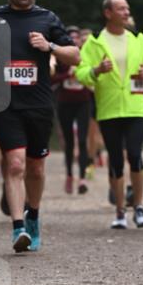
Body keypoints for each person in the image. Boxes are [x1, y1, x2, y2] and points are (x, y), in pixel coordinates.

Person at [0, 0, 79, 252]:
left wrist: (49, 46)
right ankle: (18, 227)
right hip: (4, 102)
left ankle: (33, 214)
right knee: (16, 163)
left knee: (35, 166)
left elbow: (75, 56)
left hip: (39, 103)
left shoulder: (47, 19)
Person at [76, 0, 143, 229]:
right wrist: (96, 70)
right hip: (109, 108)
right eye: (121, 9)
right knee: (115, 160)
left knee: (134, 154)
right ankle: (120, 211)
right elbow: (80, 73)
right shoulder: (94, 43)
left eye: (127, 8)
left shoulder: (138, 40)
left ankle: (139, 207)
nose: (126, 12)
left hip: (135, 106)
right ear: (108, 13)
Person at [52, 26, 93, 193]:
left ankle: (82, 178)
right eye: (72, 38)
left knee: (82, 141)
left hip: (83, 103)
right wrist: (67, 76)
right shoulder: (61, 57)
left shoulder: (86, 56)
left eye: (77, 37)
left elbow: (93, 75)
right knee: (69, 142)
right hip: (65, 103)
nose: (75, 40)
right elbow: (52, 78)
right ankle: (69, 175)